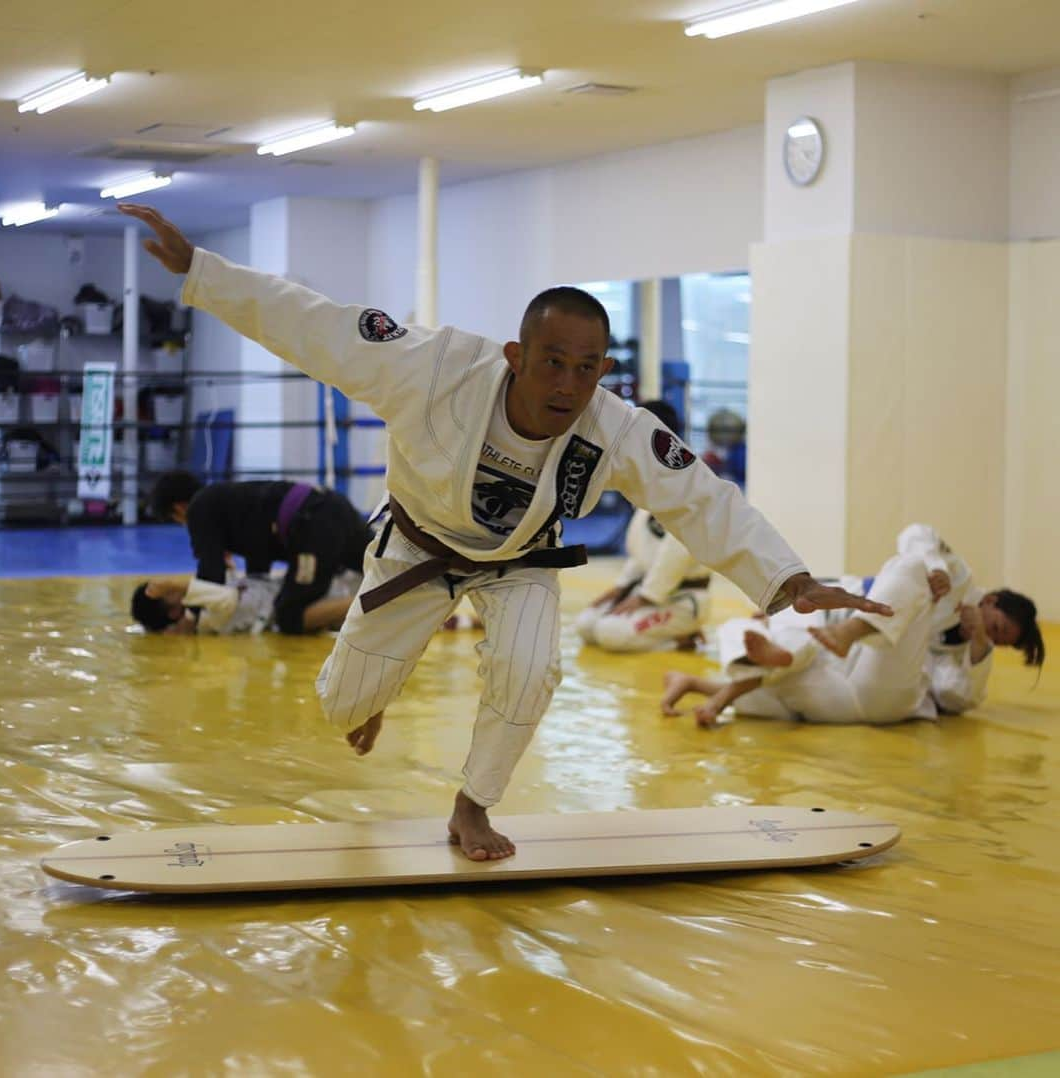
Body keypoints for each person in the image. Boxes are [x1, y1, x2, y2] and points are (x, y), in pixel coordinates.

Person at [119, 202, 890, 862]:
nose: (568, 384)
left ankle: (472, 807)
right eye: (552, 361)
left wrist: (788, 579)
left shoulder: (613, 425)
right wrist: (202, 272)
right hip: (416, 548)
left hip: (522, 561)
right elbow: (312, 326)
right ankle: (372, 688)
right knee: (342, 705)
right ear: (517, 354)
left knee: (530, 669)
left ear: (603, 369)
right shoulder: (431, 367)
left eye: (587, 368)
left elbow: (699, 496)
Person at [662, 523, 1044, 726]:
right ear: (989, 600)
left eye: (999, 641)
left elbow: (953, 700)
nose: (992, 639)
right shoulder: (957, 579)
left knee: (909, 568)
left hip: (885, 695)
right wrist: (938, 566)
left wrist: (978, 640)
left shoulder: (974, 652)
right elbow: (915, 534)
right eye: (996, 628)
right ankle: (699, 685)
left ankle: (840, 635)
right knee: (758, 639)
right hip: (838, 692)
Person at [149, 470, 372, 635]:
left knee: (289, 616)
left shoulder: (199, 508)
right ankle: (387, 597)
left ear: (178, 509)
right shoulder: (228, 500)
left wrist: (191, 619)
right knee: (386, 568)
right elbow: (258, 559)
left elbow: (211, 570)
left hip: (313, 525)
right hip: (329, 507)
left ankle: (375, 601)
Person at [575, 399, 711, 653]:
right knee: (587, 624)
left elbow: (677, 554)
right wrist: (620, 589)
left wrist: (645, 596)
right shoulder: (650, 478)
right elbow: (642, 551)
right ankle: (674, 631)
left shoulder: (686, 480)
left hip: (684, 597)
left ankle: (683, 637)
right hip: (650, 589)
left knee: (610, 633)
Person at [131, 570, 360, 635]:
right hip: (300, 607)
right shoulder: (206, 622)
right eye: (167, 592)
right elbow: (228, 599)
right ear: (172, 612)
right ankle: (367, 600)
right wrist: (177, 585)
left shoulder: (200, 607)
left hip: (284, 588)